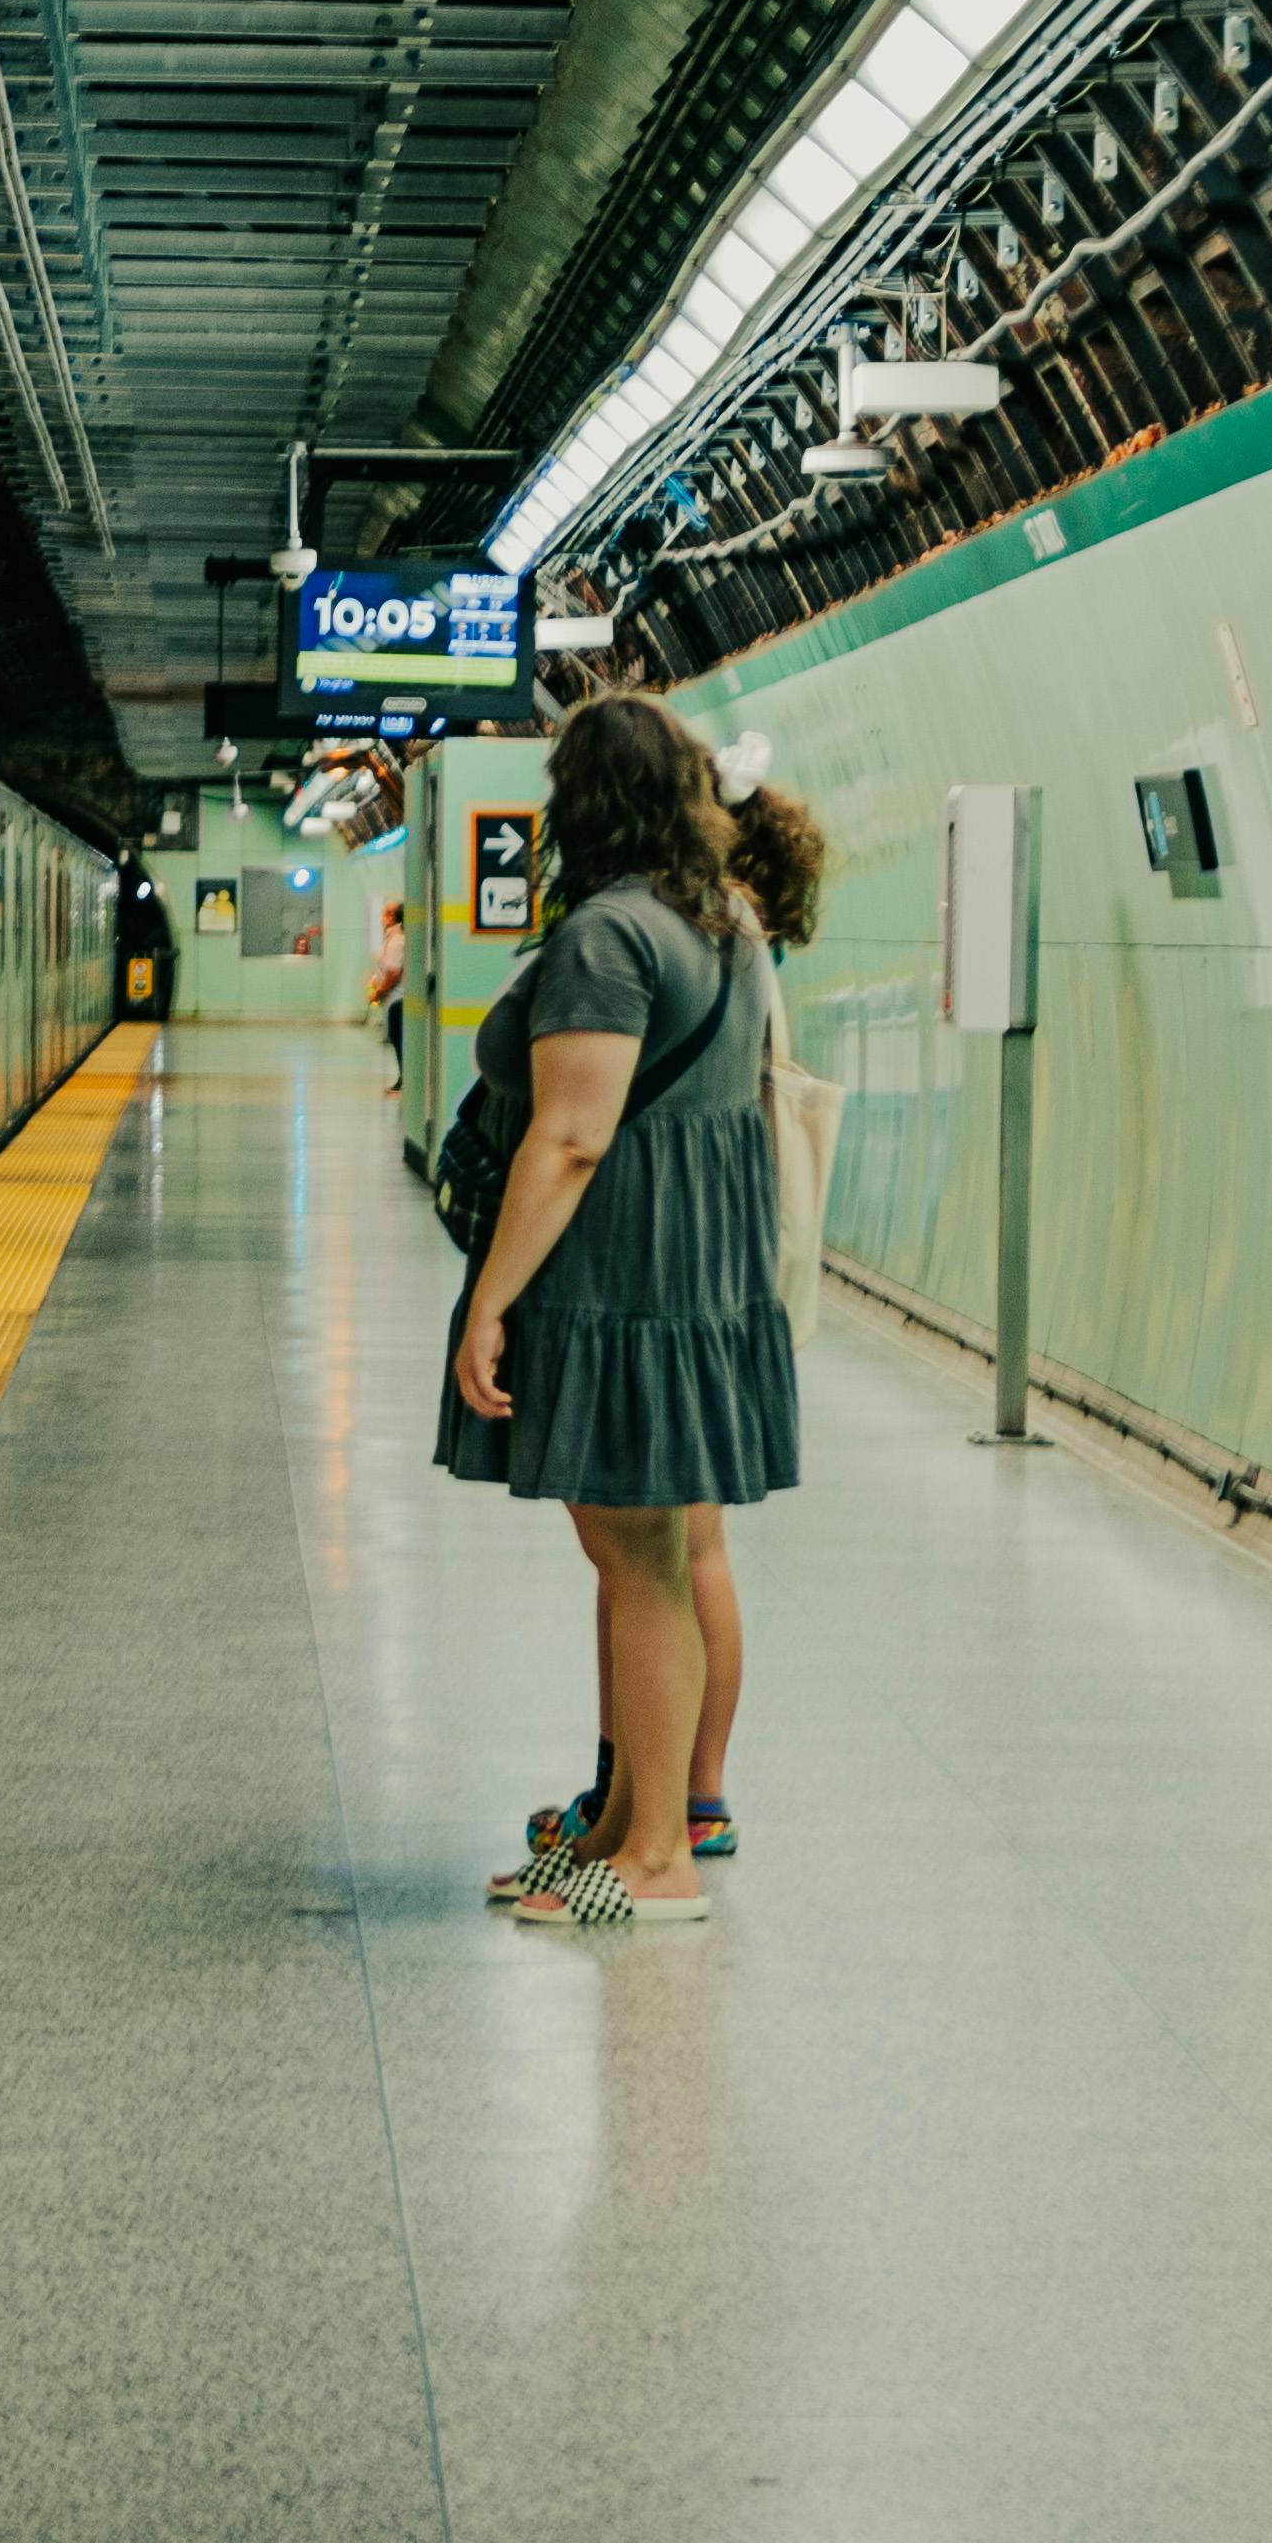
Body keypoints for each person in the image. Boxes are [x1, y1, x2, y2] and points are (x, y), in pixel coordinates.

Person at [449, 696, 800, 1931]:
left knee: (641, 1557)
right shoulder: (730, 924)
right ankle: (620, 1821)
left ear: (584, 803)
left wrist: (490, 1300)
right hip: (699, 1273)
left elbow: (575, 1134)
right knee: (631, 1553)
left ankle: (658, 1858)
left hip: (623, 1278)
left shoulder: (609, 935)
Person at [513, 771, 826, 1885]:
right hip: (715, 1257)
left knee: (675, 1554)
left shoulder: (676, 934)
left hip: (677, 1262)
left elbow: (585, 1125)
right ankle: (647, 1796)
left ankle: (683, 1804)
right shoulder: (732, 930)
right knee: (666, 1555)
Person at [363, 895, 413, 1089]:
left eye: (385, 913)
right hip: (392, 998)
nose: (381, 917)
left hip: (397, 998)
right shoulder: (392, 939)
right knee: (395, 1037)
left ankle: (405, 1079)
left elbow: (393, 974)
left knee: (399, 1038)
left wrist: (379, 992)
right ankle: (404, 1078)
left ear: (392, 916)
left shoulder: (396, 941)